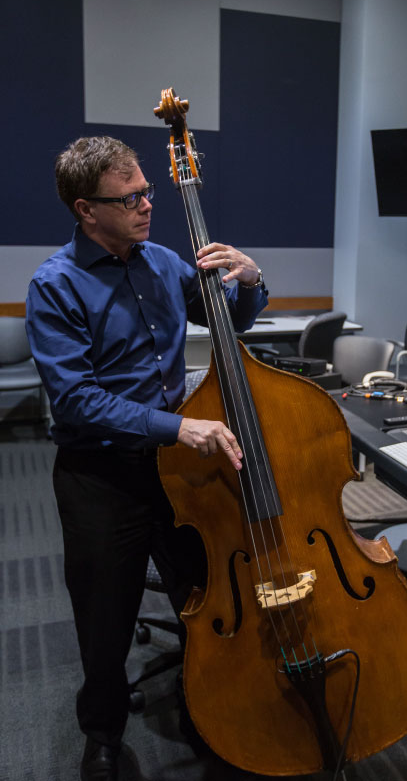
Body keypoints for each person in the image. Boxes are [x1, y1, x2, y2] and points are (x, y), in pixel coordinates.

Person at [25, 136, 268, 781]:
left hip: (178, 468)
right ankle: (103, 734)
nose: (145, 205)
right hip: (101, 474)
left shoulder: (162, 262)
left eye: (147, 192)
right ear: (86, 209)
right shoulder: (55, 286)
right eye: (128, 197)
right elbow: (76, 402)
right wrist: (176, 425)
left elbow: (228, 322)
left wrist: (251, 279)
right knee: (105, 620)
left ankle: (207, 704)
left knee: (205, 594)